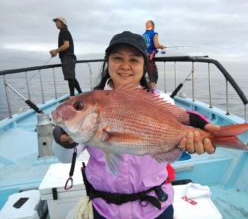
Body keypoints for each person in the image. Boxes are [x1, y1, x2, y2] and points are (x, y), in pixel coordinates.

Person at [52, 31, 219, 219]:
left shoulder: (160, 100)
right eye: (117, 58)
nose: (125, 66)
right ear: (108, 63)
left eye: (134, 60)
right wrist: (63, 139)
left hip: (155, 208)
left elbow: (179, 122)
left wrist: (194, 125)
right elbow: (66, 158)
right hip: (105, 211)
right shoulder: (93, 101)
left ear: (144, 66)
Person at [50, 16, 82, 96]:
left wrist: (56, 51)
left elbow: (66, 45)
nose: (56, 24)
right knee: (72, 78)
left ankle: (72, 96)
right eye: (55, 22)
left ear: (62, 23)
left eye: (57, 22)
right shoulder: (64, 31)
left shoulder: (64, 31)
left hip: (68, 58)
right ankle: (81, 94)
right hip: (69, 57)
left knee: (70, 78)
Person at [143, 20, 165, 89]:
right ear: (153, 26)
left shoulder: (143, 35)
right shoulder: (154, 34)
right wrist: (161, 46)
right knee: (153, 75)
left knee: (143, 74)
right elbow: (156, 45)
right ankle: (152, 92)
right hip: (150, 57)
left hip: (143, 56)